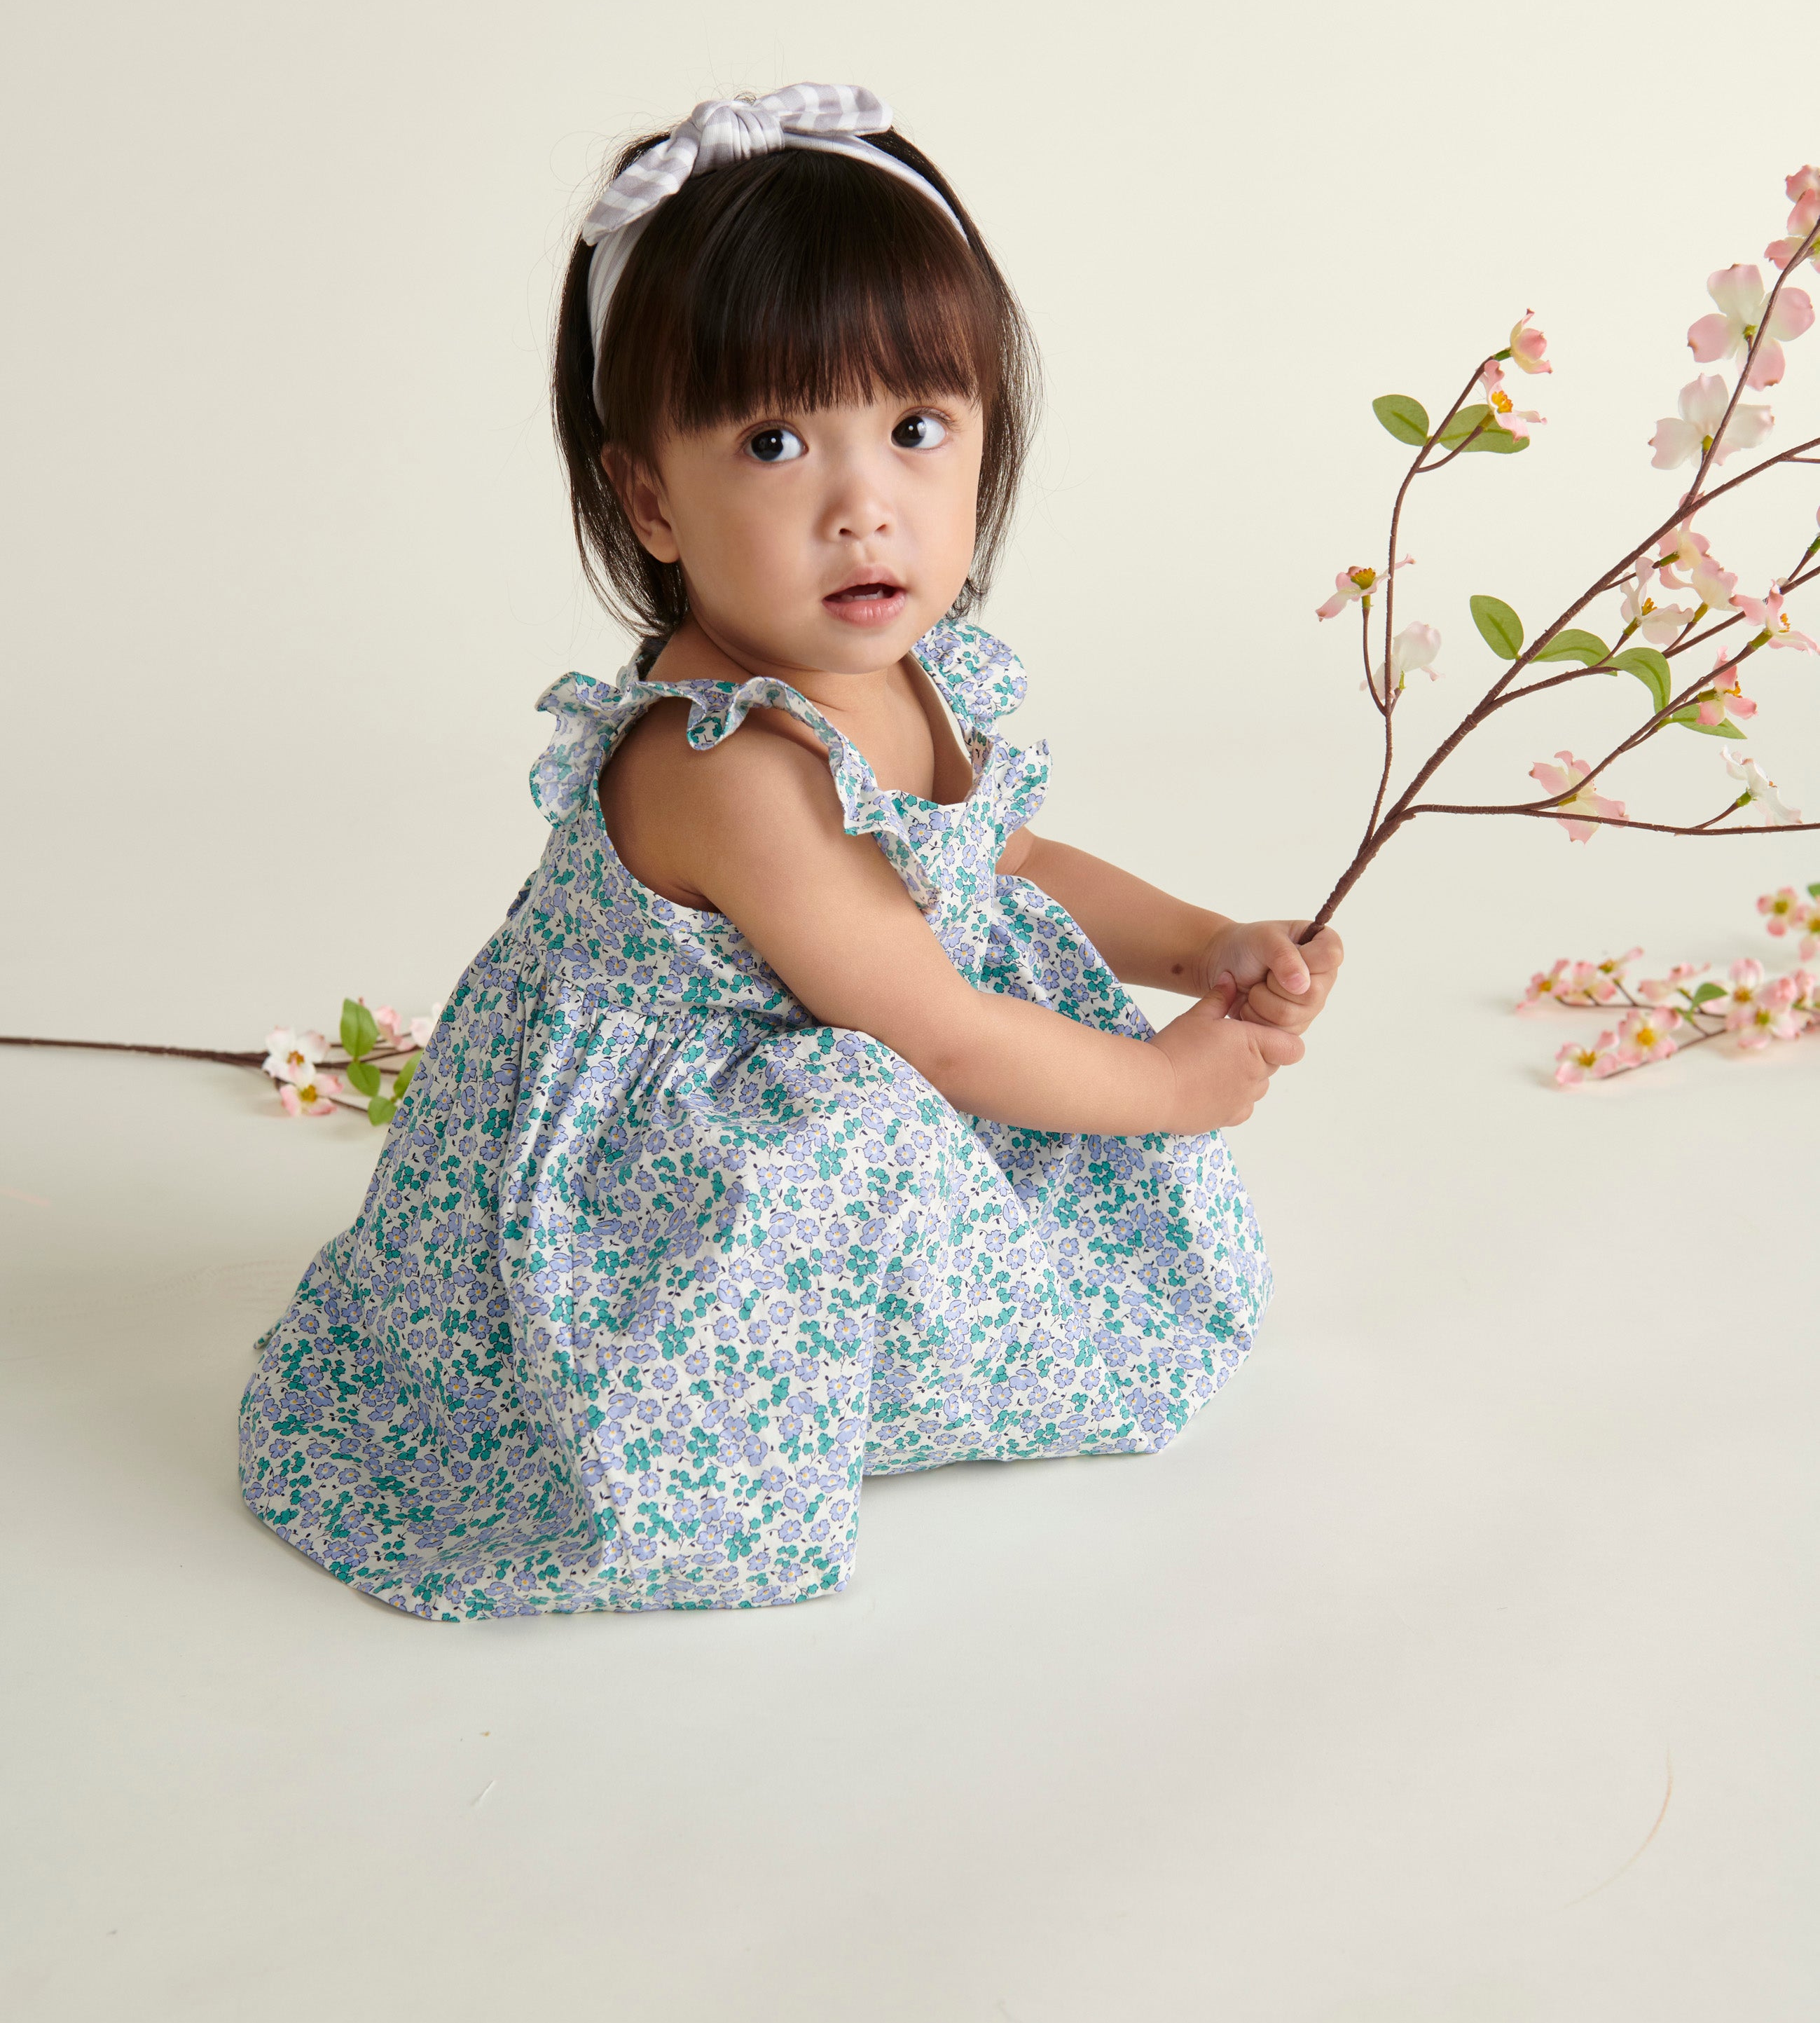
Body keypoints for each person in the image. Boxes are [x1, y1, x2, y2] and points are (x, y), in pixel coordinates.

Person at [240, 84, 1342, 1621]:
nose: (861, 505)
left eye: (914, 427)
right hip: (662, 1183)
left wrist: (1201, 942)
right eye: (773, 439)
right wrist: (1164, 1087)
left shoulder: (903, 670)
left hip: (855, 1052)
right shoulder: (730, 762)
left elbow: (1001, 866)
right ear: (650, 497)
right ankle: (730, 1404)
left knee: (943, 1063)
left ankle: (908, 1333)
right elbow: (936, 1026)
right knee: (857, 1121)